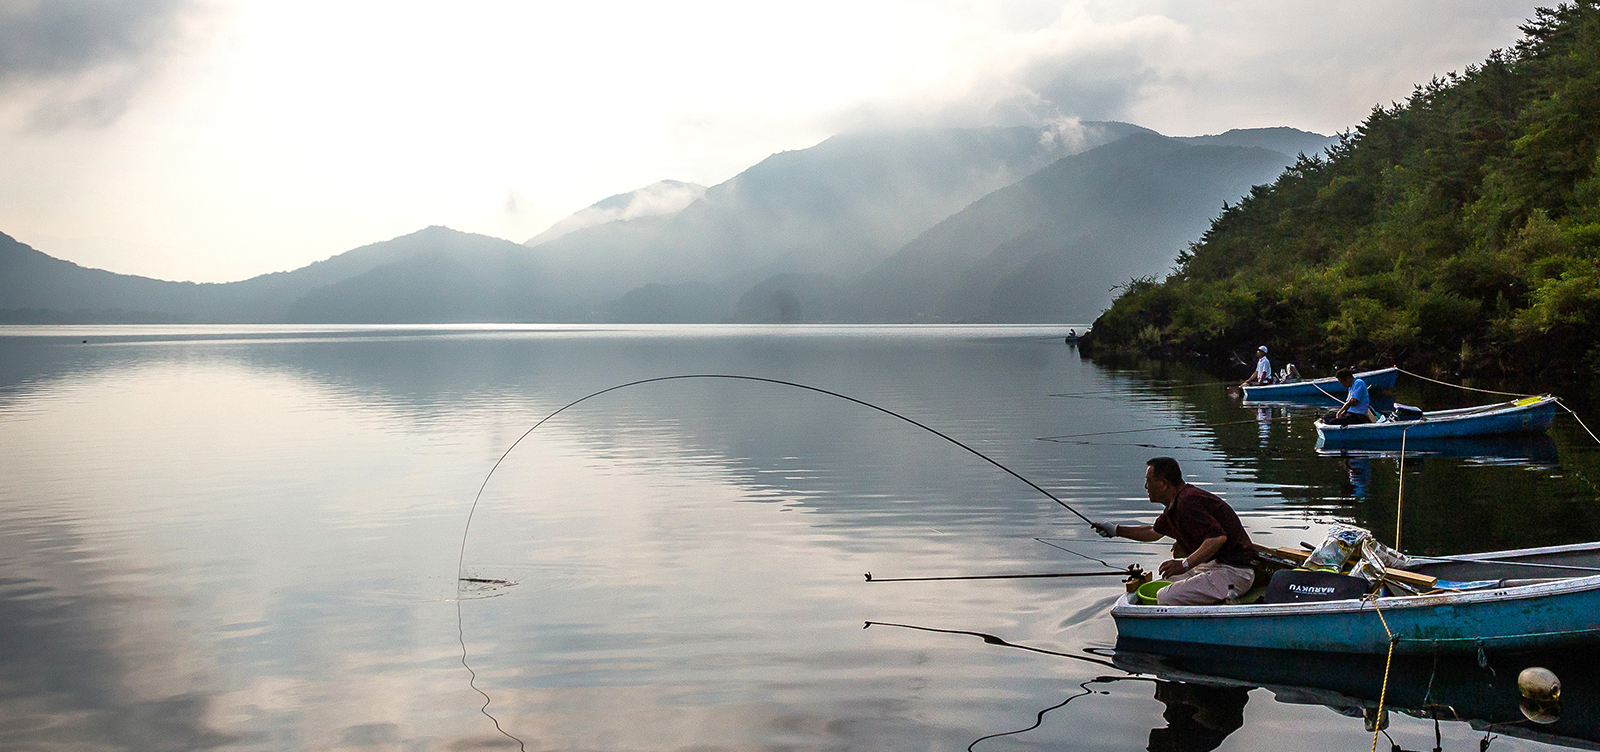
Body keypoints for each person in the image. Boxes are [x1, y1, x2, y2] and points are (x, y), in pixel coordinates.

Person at [1092, 458, 1256, 606]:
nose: (1145, 486)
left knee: (1165, 597)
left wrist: (1184, 564)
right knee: (1167, 579)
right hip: (1214, 567)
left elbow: (1218, 538)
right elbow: (1152, 532)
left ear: (1163, 484)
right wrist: (1115, 530)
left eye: (1149, 481)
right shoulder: (1176, 503)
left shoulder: (1188, 502)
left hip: (1235, 572)